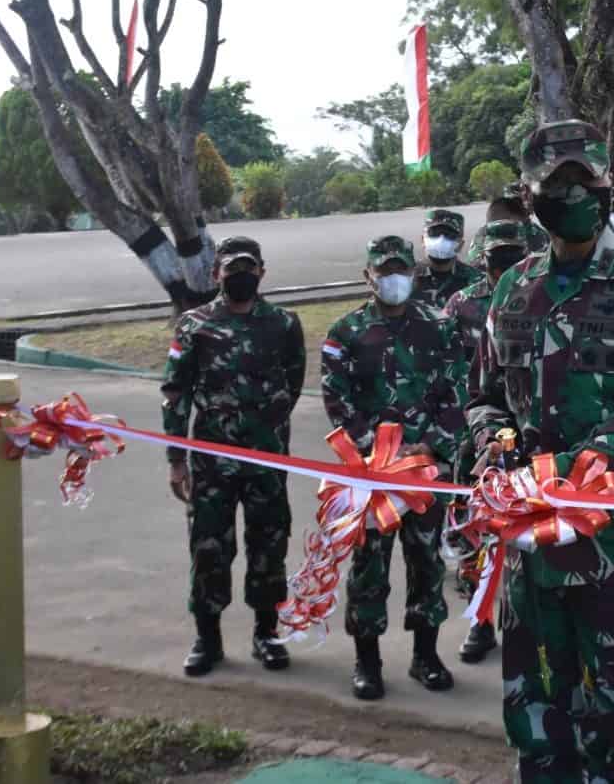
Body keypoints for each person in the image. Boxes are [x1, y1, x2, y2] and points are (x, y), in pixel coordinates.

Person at [468, 119, 614, 783]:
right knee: (538, 718)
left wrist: (558, 475)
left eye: (583, 182)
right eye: (553, 184)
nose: (570, 195)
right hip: (535, 558)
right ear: (530, 195)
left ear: (606, 189)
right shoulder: (512, 291)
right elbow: (486, 399)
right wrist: (495, 450)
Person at [321, 235, 467, 700]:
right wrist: (375, 453)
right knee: (369, 567)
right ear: (369, 277)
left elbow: (459, 392)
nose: (393, 280)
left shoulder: (440, 327)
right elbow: (336, 399)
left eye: (400, 270)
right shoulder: (345, 332)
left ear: (414, 272)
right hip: (372, 476)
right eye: (384, 272)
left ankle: (426, 656)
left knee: (426, 564)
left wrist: (432, 448)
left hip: (426, 473)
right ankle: (368, 662)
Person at [162, 236, 305, 677]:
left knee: (269, 545)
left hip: (266, 460)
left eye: (248, 268)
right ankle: (208, 638)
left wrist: (267, 428)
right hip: (211, 462)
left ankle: (267, 634)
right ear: (215, 274)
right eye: (230, 269)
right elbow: (176, 392)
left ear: (261, 271)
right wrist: (176, 457)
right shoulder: (193, 325)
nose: (239, 275)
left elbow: (294, 381)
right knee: (209, 547)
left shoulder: (283, 324)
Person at [443, 220, 531, 664]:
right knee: (479, 536)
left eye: (512, 255)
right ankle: (480, 622)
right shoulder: (462, 304)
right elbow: (448, 368)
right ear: (483, 260)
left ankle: (528, 630)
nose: (505, 265)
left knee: (532, 540)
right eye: (497, 258)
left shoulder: (539, 294)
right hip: (478, 442)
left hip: (532, 441)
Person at [414, 209, 483, 310]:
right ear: (422, 240)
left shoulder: (477, 281)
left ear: (461, 245)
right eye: (434, 233)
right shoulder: (408, 278)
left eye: (450, 235)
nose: (441, 239)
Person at [467, 193, 550, 269]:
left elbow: (542, 267)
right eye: (493, 226)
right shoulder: (484, 232)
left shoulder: (537, 235)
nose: (496, 230)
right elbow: (474, 265)